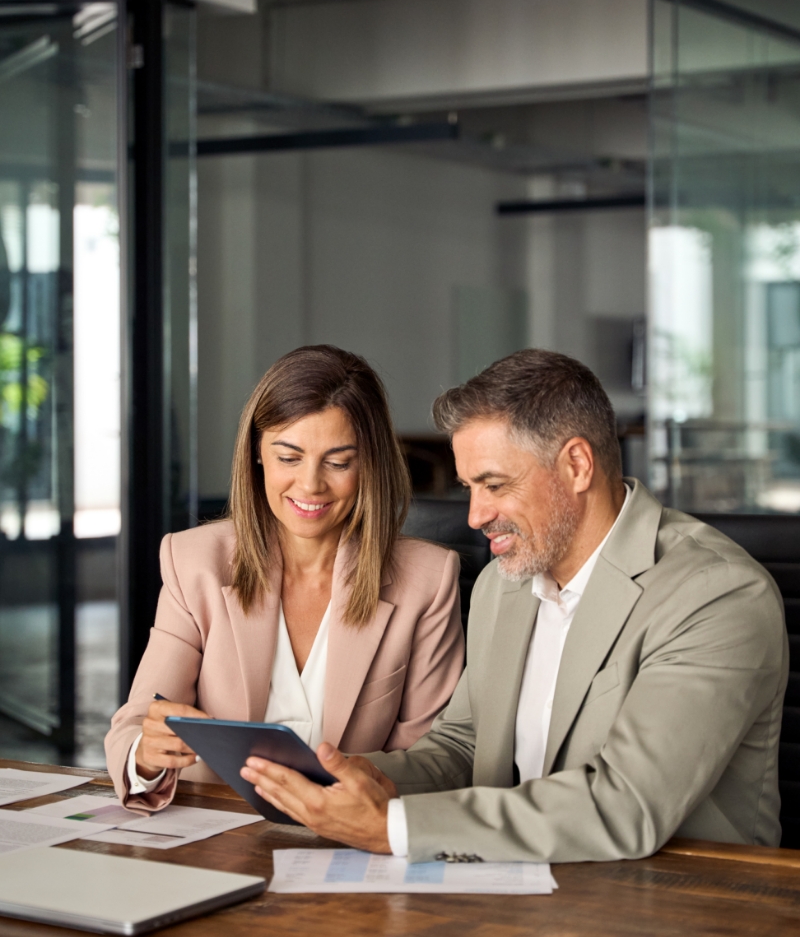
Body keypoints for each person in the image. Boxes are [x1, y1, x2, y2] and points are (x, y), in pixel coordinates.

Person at [241, 349, 789, 863]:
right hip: (517, 886)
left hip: (681, 906)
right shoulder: (505, 584)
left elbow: (626, 805)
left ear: (577, 464)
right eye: (467, 488)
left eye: (494, 485)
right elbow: (461, 748)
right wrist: (341, 784)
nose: (476, 516)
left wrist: (392, 827)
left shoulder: (714, 595)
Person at [105, 345, 464, 812]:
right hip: (215, 832)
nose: (311, 485)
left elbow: (431, 763)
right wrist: (147, 756)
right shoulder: (193, 561)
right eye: (289, 457)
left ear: (369, 463)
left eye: (338, 462)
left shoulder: (428, 581)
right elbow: (134, 726)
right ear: (257, 453)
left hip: (348, 838)